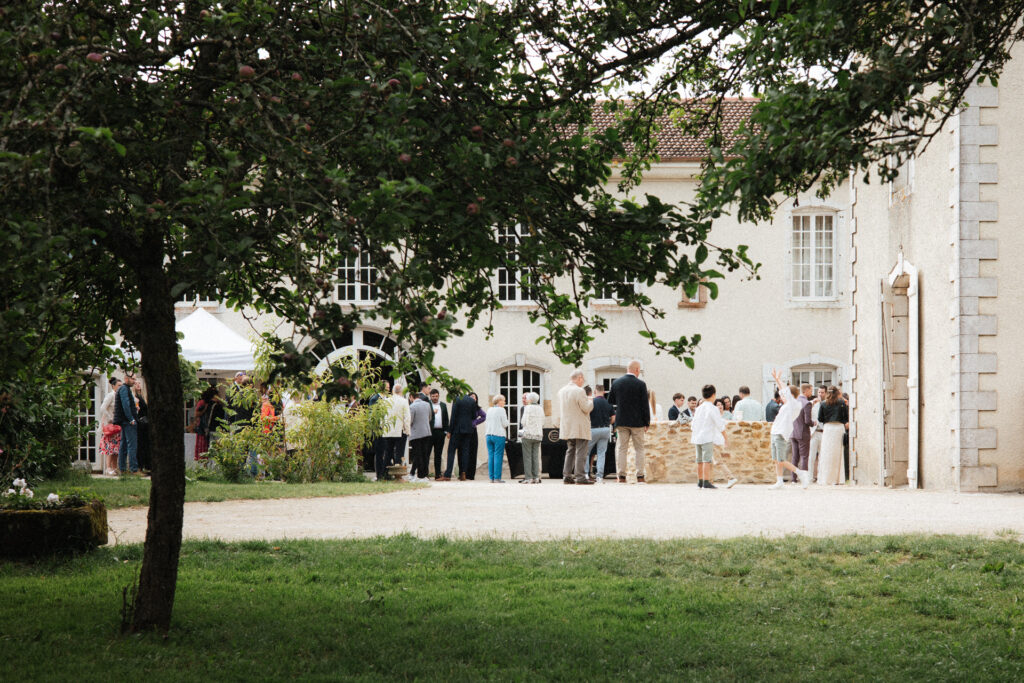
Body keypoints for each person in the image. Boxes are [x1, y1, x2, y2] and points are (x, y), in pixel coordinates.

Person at [607, 360, 651, 483]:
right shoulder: (641, 384)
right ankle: (640, 475)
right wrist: (647, 422)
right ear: (636, 370)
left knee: (621, 448)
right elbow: (644, 405)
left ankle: (621, 475)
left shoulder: (616, 383)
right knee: (639, 449)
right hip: (637, 421)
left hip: (621, 420)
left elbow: (610, 400)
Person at [769, 369, 812, 489]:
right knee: (777, 460)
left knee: (781, 459)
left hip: (781, 434)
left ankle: (800, 473)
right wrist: (777, 381)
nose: (781, 396)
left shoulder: (794, 404)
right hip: (775, 432)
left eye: (784, 395)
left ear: (791, 395)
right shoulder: (788, 405)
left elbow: (785, 391)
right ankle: (779, 481)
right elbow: (784, 391)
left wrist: (778, 380)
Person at [558, 370, 594, 484]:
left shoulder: (561, 391)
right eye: (582, 379)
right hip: (579, 425)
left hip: (567, 425)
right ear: (579, 378)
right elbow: (586, 408)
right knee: (581, 452)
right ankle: (580, 477)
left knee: (570, 450)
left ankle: (567, 475)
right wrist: (590, 400)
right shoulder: (579, 391)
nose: (583, 381)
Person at [690, 384, 726, 489]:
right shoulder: (713, 408)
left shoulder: (698, 408)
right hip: (707, 436)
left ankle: (700, 481)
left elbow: (693, 424)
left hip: (697, 437)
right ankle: (706, 481)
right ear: (713, 395)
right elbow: (720, 424)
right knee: (707, 460)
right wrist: (725, 438)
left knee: (699, 460)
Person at [816, 386, 850, 485]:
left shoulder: (823, 403)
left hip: (828, 429)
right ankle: (838, 479)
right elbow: (845, 418)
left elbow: (820, 418)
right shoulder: (842, 403)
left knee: (826, 453)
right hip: (839, 427)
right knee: (838, 453)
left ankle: (826, 478)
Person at [445, 392, 479, 481]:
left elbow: (453, 416)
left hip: (457, 429)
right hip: (468, 430)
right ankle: (463, 473)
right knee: (465, 451)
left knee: (451, 451)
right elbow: (474, 416)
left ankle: (448, 474)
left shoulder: (456, 399)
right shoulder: (472, 401)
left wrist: (450, 430)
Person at [113, 373, 140, 474]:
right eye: (132, 379)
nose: (134, 381)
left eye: (135, 379)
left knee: (123, 445)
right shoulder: (124, 389)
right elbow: (126, 405)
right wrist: (131, 419)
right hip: (127, 421)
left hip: (123, 421)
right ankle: (134, 469)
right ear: (126, 379)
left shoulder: (123, 389)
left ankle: (122, 469)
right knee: (132, 445)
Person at [381, 384, 411, 477]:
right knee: (399, 454)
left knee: (388, 453)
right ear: (401, 392)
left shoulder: (386, 401)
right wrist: (408, 430)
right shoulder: (404, 401)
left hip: (388, 431)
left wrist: (383, 428)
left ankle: (384, 475)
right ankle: (398, 475)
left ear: (393, 391)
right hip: (400, 431)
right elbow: (407, 417)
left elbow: (382, 416)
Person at [587, 385, 614, 481]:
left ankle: (586, 473)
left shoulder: (592, 402)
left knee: (587, 452)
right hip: (605, 429)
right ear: (604, 392)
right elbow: (613, 418)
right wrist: (608, 424)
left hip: (593, 429)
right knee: (601, 453)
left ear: (595, 391)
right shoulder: (608, 403)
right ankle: (599, 476)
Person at [789, 383, 815, 482]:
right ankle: (804, 479)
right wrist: (814, 423)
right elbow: (807, 421)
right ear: (806, 390)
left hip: (793, 432)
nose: (812, 392)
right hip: (803, 433)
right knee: (804, 456)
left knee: (795, 457)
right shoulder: (807, 403)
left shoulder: (794, 402)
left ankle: (793, 479)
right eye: (811, 390)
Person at [98, 377, 122, 475]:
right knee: (110, 447)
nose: (120, 387)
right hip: (110, 425)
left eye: (121, 386)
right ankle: (108, 468)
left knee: (116, 447)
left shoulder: (119, 396)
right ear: (113, 386)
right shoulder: (110, 395)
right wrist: (109, 417)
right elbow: (102, 408)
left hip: (118, 425)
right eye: (119, 385)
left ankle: (114, 468)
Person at [519, 391, 544, 483]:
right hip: (538, 435)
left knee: (527, 457)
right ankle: (536, 477)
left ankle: (529, 477)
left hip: (528, 434)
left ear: (530, 399)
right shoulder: (540, 408)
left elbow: (523, 421)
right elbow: (543, 421)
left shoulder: (527, 408)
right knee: (535, 457)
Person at [408, 392, 433, 482]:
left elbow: (410, 420)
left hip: (416, 433)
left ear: (411, 397)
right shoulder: (427, 405)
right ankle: (424, 474)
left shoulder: (412, 407)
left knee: (418, 454)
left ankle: (420, 475)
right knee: (425, 454)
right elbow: (430, 417)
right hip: (426, 432)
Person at [484, 394, 510, 482]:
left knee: (491, 456)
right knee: (498, 456)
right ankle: (497, 478)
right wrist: (508, 421)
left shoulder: (489, 409)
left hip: (488, 434)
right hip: (498, 435)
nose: (504, 402)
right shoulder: (501, 410)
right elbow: (505, 424)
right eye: (503, 400)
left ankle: (491, 478)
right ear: (499, 401)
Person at [428, 389, 449, 480]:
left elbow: (446, 419)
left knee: (438, 454)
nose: (435, 398)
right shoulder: (428, 405)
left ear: (438, 396)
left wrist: (446, 431)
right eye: (433, 396)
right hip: (430, 432)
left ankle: (437, 474)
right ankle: (425, 474)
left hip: (440, 432)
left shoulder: (443, 405)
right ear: (430, 396)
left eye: (436, 396)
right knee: (427, 453)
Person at [193, 385, 218, 460]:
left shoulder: (208, 402)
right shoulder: (202, 402)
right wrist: (204, 410)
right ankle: (202, 459)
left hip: (204, 426)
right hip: (201, 426)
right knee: (202, 443)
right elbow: (196, 414)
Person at [807, 386, 827, 481]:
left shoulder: (828, 404)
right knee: (811, 456)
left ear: (826, 393)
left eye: (822, 392)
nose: (820, 394)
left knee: (822, 456)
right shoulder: (813, 405)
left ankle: (820, 477)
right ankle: (809, 477)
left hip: (824, 432)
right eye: (819, 392)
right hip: (814, 432)